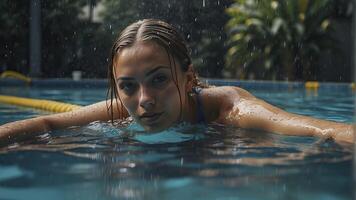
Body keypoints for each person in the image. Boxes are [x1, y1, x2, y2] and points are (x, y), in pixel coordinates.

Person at [0, 19, 354, 145]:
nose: (144, 100)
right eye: (128, 85)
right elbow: (47, 123)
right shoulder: (119, 111)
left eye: (158, 80)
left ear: (188, 78)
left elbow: (321, 130)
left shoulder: (230, 109)